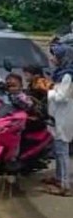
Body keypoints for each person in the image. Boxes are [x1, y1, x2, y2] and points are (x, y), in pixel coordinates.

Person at [41, 44, 73, 196]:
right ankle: (59, 178)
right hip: (57, 116)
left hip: (64, 117)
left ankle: (65, 185)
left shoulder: (68, 75)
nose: (52, 59)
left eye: (55, 56)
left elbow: (62, 97)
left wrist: (49, 90)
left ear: (62, 58)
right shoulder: (60, 73)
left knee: (62, 151)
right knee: (58, 148)